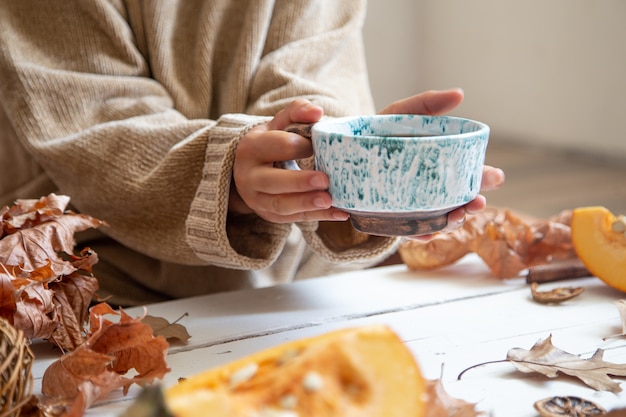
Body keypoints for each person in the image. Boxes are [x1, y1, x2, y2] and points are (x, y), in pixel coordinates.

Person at [0, 1, 504, 306]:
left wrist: (348, 151)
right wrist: (225, 173)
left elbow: (314, 77)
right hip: (109, 282)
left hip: (304, 286)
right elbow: (90, 115)